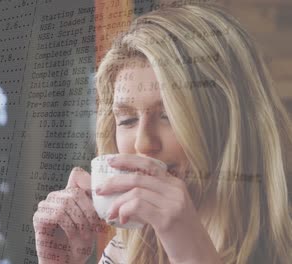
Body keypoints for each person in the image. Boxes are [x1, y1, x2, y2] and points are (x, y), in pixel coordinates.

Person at [32, 3, 292, 264]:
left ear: (231, 124)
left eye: (169, 115)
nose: (143, 143)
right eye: (128, 119)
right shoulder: (124, 251)